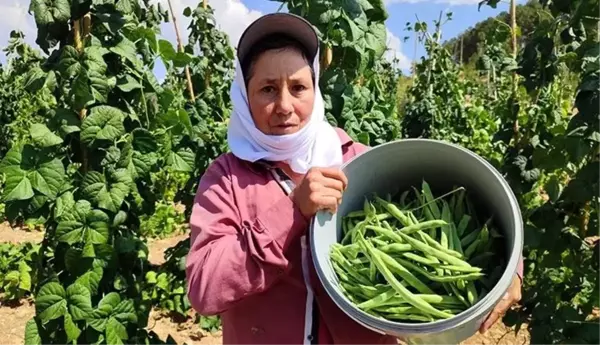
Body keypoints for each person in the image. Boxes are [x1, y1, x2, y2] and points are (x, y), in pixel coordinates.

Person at [185, 12, 523, 345]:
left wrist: (511, 272)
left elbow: (459, 200)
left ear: (315, 91)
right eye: (268, 89)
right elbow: (204, 289)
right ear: (245, 96)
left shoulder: (354, 159)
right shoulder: (226, 179)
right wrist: (291, 213)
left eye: (298, 87)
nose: (285, 105)